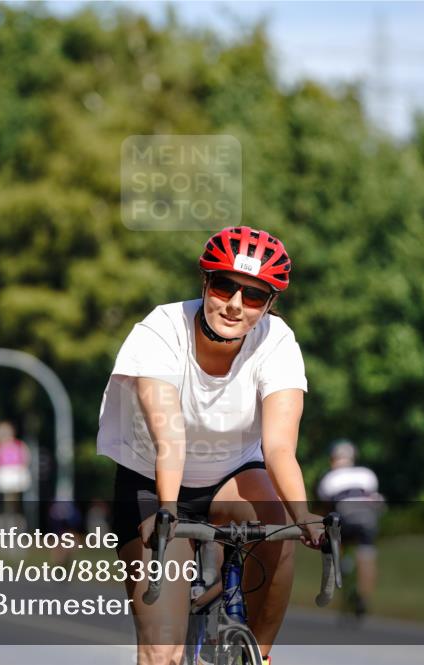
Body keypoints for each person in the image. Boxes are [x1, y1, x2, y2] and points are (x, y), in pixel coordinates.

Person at [98, 226, 324, 665]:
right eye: (224, 286)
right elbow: (170, 438)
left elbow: (279, 448)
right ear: (205, 283)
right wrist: (167, 511)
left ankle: (258, 656)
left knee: (279, 526)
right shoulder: (161, 330)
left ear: (269, 304)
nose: (236, 304)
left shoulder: (277, 342)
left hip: (232, 476)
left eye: (254, 296)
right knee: (161, 652)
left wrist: (303, 515)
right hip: (154, 481)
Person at [316, 439, 384, 617]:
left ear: (332, 459)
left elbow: (326, 508)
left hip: (345, 520)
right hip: (368, 520)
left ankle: (340, 565)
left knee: (333, 535)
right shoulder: (367, 474)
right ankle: (364, 597)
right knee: (367, 555)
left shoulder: (328, 478)